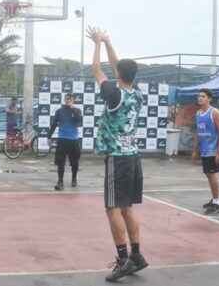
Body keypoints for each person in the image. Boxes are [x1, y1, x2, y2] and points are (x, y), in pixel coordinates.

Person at [88, 27, 149, 282]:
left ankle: (123, 259)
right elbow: (116, 68)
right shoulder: (137, 93)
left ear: (119, 75)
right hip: (133, 156)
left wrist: (98, 44)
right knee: (127, 207)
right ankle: (137, 255)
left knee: (112, 208)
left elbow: (97, 70)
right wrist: (109, 41)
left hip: (117, 157)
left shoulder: (114, 94)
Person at [191, 88, 219, 215]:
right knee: (208, 174)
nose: (200, 98)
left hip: (213, 150)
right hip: (204, 150)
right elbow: (198, 133)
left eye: (203, 96)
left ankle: (217, 202)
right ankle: (215, 198)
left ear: (209, 99)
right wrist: (195, 150)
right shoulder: (198, 113)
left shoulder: (214, 112)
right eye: (199, 96)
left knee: (212, 174)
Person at [48, 93, 83, 190]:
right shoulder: (59, 111)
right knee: (60, 162)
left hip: (73, 140)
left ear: (73, 101)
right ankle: (60, 182)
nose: (68, 101)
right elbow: (54, 124)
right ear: (64, 100)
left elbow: (79, 121)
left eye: (70, 99)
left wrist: (73, 109)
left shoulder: (77, 110)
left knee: (75, 162)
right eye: (66, 99)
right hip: (62, 139)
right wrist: (49, 136)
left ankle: (74, 179)